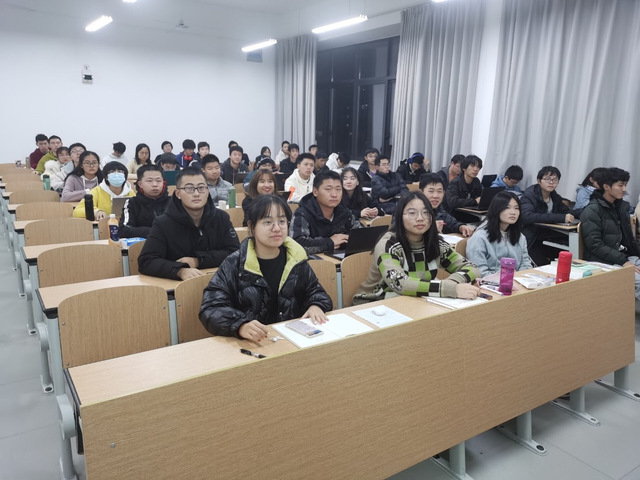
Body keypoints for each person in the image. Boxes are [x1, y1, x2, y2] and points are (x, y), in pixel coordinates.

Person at [199, 195, 333, 341]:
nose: (277, 228)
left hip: (291, 339)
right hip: (252, 343)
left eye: (282, 221)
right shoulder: (235, 263)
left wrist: (315, 305)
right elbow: (211, 308)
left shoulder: (295, 259)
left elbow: (316, 292)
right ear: (251, 226)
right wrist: (240, 325)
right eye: (268, 222)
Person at [353, 191, 480, 304]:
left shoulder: (434, 242)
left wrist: (452, 283)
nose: (420, 218)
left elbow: (472, 268)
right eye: (412, 213)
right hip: (376, 303)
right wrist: (449, 289)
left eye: (425, 212)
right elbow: (400, 283)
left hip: (416, 299)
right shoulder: (388, 244)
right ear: (399, 217)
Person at [138, 167, 240, 280]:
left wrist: (198, 260)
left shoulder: (221, 218)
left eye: (201, 188)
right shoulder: (163, 223)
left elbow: (236, 253)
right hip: (178, 285)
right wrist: (179, 271)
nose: (196, 194)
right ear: (178, 193)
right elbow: (146, 261)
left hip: (219, 280)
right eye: (189, 188)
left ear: (207, 191)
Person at [580, 167, 640, 300]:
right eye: (620, 185)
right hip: (605, 261)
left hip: (624, 256)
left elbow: (629, 239)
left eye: (625, 185)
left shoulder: (621, 207)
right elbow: (595, 245)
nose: (624, 189)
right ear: (606, 186)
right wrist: (623, 261)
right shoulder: (592, 210)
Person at [290, 171, 361, 254]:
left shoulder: (344, 212)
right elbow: (297, 244)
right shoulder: (303, 213)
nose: (334, 194)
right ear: (315, 192)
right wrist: (330, 242)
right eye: (328, 189)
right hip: (312, 261)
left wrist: (344, 240)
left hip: (340, 258)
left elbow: (360, 234)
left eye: (338, 189)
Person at [521, 166, 577, 266]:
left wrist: (588, 212)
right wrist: (561, 218)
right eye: (547, 179)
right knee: (542, 265)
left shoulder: (553, 195)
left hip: (546, 234)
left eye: (555, 180)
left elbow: (567, 211)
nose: (551, 182)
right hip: (531, 237)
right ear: (539, 181)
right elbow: (528, 216)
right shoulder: (529, 195)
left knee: (572, 245)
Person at [466, 191, 533, 276]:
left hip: (516, 281)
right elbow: (479, 272)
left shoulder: (520, 237)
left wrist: (517, 278)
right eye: (507, 208)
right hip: (489, 282)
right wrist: (505, 279)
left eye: (516, 208)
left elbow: (526, 264)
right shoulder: (479, 238)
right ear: (496, 209)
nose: (513, 212)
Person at [119, 164, 170, 239]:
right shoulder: (132, 203)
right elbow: (123, 230)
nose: (155, 184)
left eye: (158, 181)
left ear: (163, 183)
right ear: (140, 184)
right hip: (144, 244)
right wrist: (155, 232)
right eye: (149, 181)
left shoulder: (173, 202)